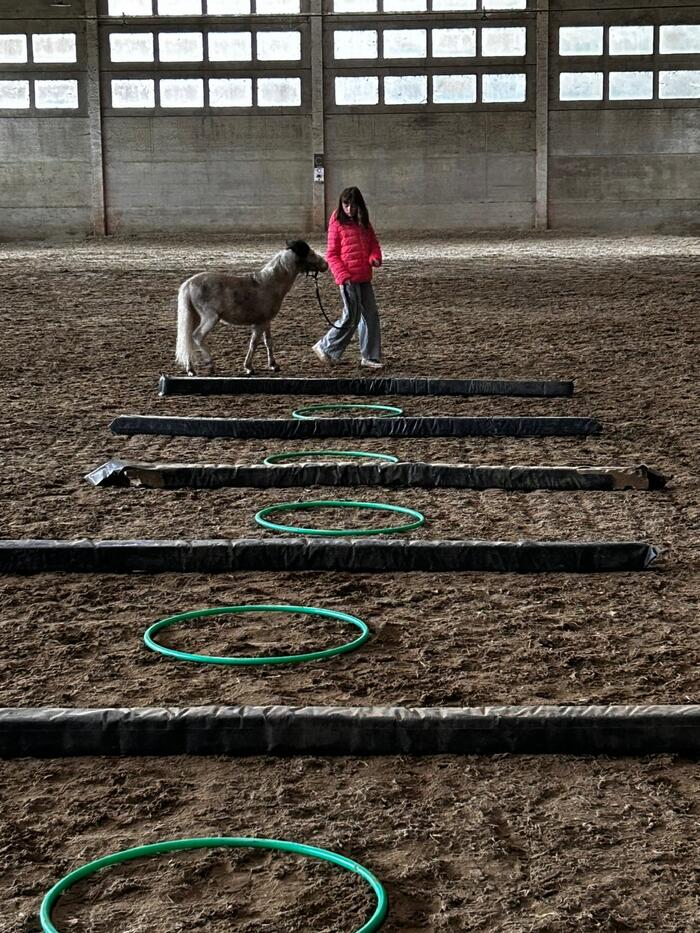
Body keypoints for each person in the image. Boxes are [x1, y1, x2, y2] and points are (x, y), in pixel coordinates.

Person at [313, 186, 384, 370]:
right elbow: (332, 253)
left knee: (371, 316)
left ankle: (370, 357)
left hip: (364, 276)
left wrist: (374, 258)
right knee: (351, 317)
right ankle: (325, 346)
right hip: (348, 278)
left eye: (353, 205)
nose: (349, 209)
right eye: (346, 205)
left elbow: (373, 244)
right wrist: (342, 275)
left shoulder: (364, 222)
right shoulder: (337, 222)